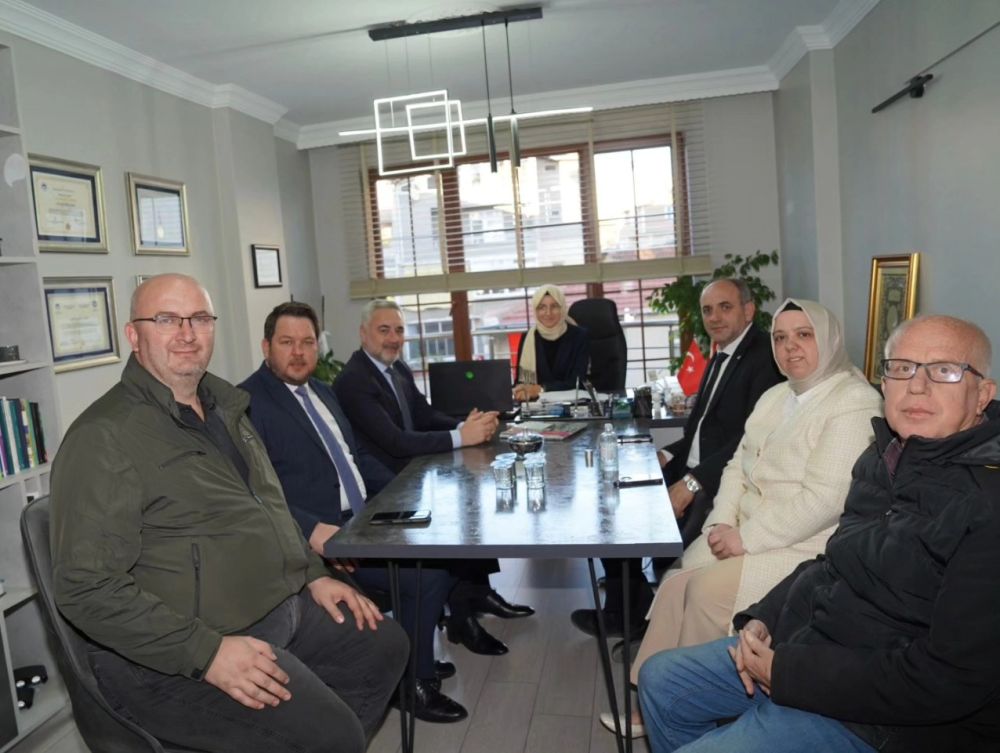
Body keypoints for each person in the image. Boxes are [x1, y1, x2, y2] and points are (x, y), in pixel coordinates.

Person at [49, 274, 408, 753]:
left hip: (275, 606)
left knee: (384, 646)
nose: (187, 333)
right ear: (134, 335)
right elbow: (85, 588)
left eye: (199, 318)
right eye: (166, 319)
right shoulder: (104, 437)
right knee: (332, 734)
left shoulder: (225, 409)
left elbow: (269, 508)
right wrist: (208, 652)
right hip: (176, 654)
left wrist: (312, 574)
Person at [638, 314, 1000, 753]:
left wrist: (788, 674)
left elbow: (949, 679)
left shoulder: (984, 505)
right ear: (885, 383)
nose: (917, 386)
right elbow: (834, 560)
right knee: (662, 680)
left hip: (882, 719)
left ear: (982, 394)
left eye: (944, 371)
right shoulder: (883, 456)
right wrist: (765, 617)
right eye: (902, 368)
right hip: (817, 649)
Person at [604, 298, 881, 738]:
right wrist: (719, 524)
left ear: (829, 340)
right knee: (675, 582)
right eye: (781, 337)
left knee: (704, 592)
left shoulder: (854, 402)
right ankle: (649, 700)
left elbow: (825, 500)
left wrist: (745, 538)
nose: (790, 347)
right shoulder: (776, 395)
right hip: (744, 531)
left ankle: (689, 708)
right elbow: (736, 466)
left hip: (804, 546)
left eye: (804, 335)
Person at [240, 301, 467, 723]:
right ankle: (411, 683)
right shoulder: (248, 404)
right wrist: (311, 529)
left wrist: (402, 493)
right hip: (317, 542)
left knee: (443, 553)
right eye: (287, 342)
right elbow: (252, 491)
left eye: (308, 342)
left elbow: (355, 456)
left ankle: (413, 661)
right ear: (266, 347)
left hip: (364, 521)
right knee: (426, 576)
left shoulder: (322, 391)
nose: (299, 352)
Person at [572, 278, 783, 638]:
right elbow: (699, 429)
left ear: (749, 310)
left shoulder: (764, 358)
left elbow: (749, 439)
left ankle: (643, 619)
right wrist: (665, 454)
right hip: (691, 469)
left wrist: (692, 482)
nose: (714, 317)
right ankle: (629, 603)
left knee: (656, 536)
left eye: (725, 307)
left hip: (720, 482)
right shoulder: (721, 354)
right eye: (707, 310)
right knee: (615, 499)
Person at [334, 299, 534, 656]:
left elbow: (424, 415)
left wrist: (466, 426)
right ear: (363, 334)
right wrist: (461, 436)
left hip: (413, 471)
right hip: (385, 487)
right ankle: (462, 618)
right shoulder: (353, 380)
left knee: (472, 498)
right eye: (384, 330)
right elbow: (395, 441)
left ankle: (478, 594)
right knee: (453, 521)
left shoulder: (396, 368)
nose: (393, 338)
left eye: (399, 330)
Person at [512, 284, 590, 402]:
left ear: (562, 308)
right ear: (535, 310)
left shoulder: (579, 336)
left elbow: (578, 381)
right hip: (536, 406)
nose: (548, 313)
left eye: (554, 306)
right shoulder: (527, 337)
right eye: (542, 307)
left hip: (571, 405)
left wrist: (542, 389)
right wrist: (520, 390)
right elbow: (521, 381)